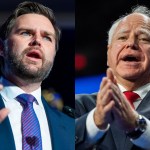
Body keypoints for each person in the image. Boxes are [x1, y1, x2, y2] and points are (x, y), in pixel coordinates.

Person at [0, 1, 74, 150]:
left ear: (54, 54)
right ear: (2, 48)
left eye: (47, 37)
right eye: (26, 33)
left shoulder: (71, 126)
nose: (37, 41)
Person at [75, 5, 150, 150]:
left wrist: (137, 125)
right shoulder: (77, 106)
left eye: (144, 39)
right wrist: (95, 121)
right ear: (108, 55)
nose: (131, 44)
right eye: (122, 37)